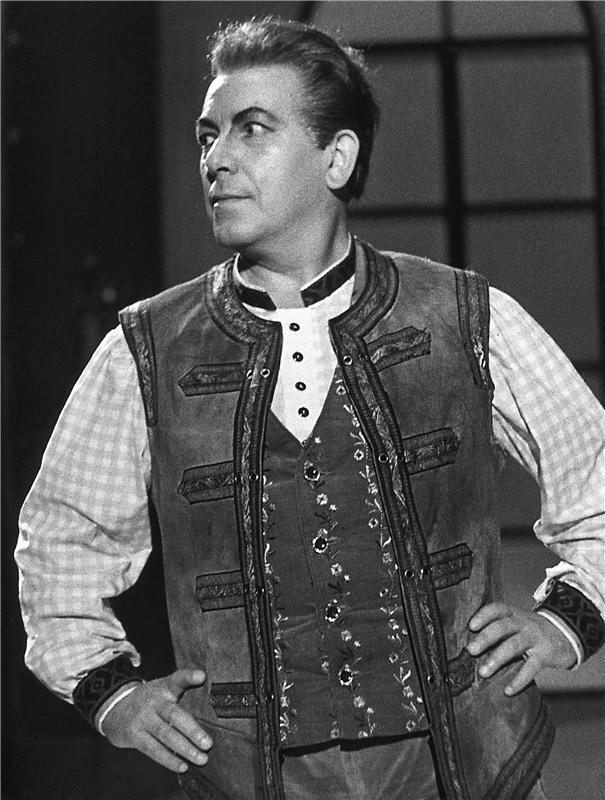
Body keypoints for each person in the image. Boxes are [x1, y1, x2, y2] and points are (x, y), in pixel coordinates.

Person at [15, 16, 605, 800]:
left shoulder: (464, 315)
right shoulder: (144, 350)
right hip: (248, 780)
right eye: (207, 135)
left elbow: (596, 476)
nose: (216, 158)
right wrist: (108, 692)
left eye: (251, 129)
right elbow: (60, 542)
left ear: (336, 157)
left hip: (469, 769)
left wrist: (566, 621)